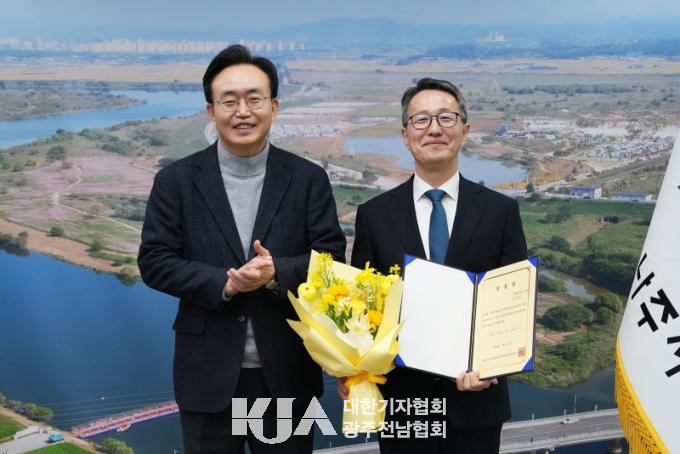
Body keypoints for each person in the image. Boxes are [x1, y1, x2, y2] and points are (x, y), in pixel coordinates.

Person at [138, 44, 346, 454]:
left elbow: (332, 260)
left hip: (286, 373)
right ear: (211, 110)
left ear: (274, 106)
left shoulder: (307, 179)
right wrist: (227, 283)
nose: (243, 111)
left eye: (254, 99)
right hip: (207, 374)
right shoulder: (176, 181)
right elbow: (155, 261)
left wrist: (276, 273)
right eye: (229, 101)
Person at [343, 78, 527, 453]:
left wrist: (492, 366)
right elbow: (363, 308)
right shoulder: (374, 216)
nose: (434, 129)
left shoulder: (501, 211)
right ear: (405, 135)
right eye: (421, 119)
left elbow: (514, 307)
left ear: (465, 131)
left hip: (476, 401)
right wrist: (353, 366)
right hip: (403, 402)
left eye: (446, 117)